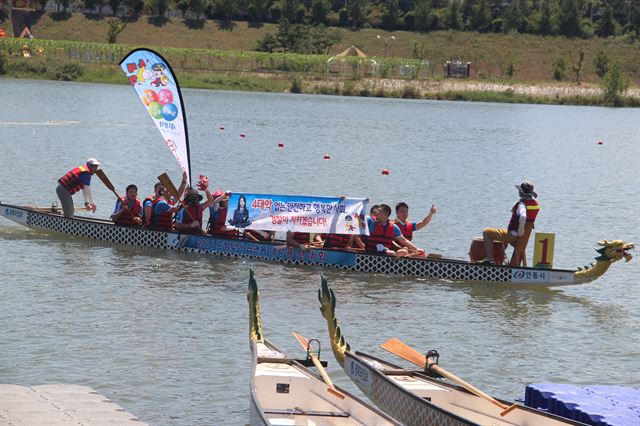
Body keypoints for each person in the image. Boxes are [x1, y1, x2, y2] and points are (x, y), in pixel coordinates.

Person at [480, 180, 540, 264]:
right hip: (523, 237)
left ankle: (490, 259)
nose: (518, 191)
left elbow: (523, 216)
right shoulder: (535, 204)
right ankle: (503, 260)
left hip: (514, 235)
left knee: (486, 232)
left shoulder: (522, 204)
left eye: (519, 190)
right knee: (504, 239)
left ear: (522, 192)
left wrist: (520, 229)